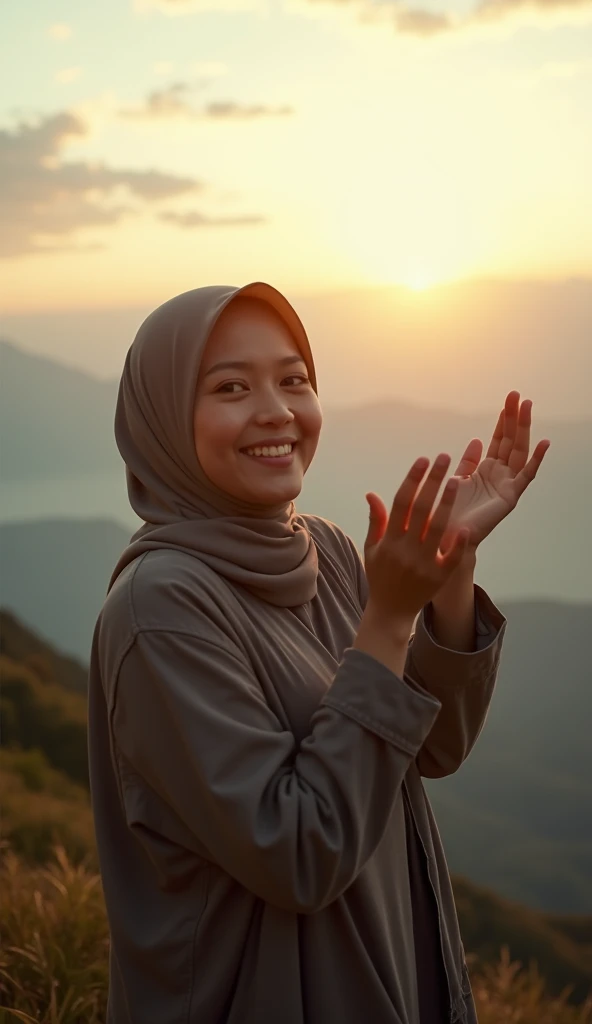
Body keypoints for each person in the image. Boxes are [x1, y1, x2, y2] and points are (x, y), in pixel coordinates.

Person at [87, 281, 550, 1024]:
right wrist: (391, 615)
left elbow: (432, 746)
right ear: (165, 419)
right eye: (231, 387)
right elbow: (299, 853)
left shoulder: (326, 551)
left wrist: (449, 563)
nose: (275, 409)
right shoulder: (160, 609)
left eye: (294, 379)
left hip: (384, 967)